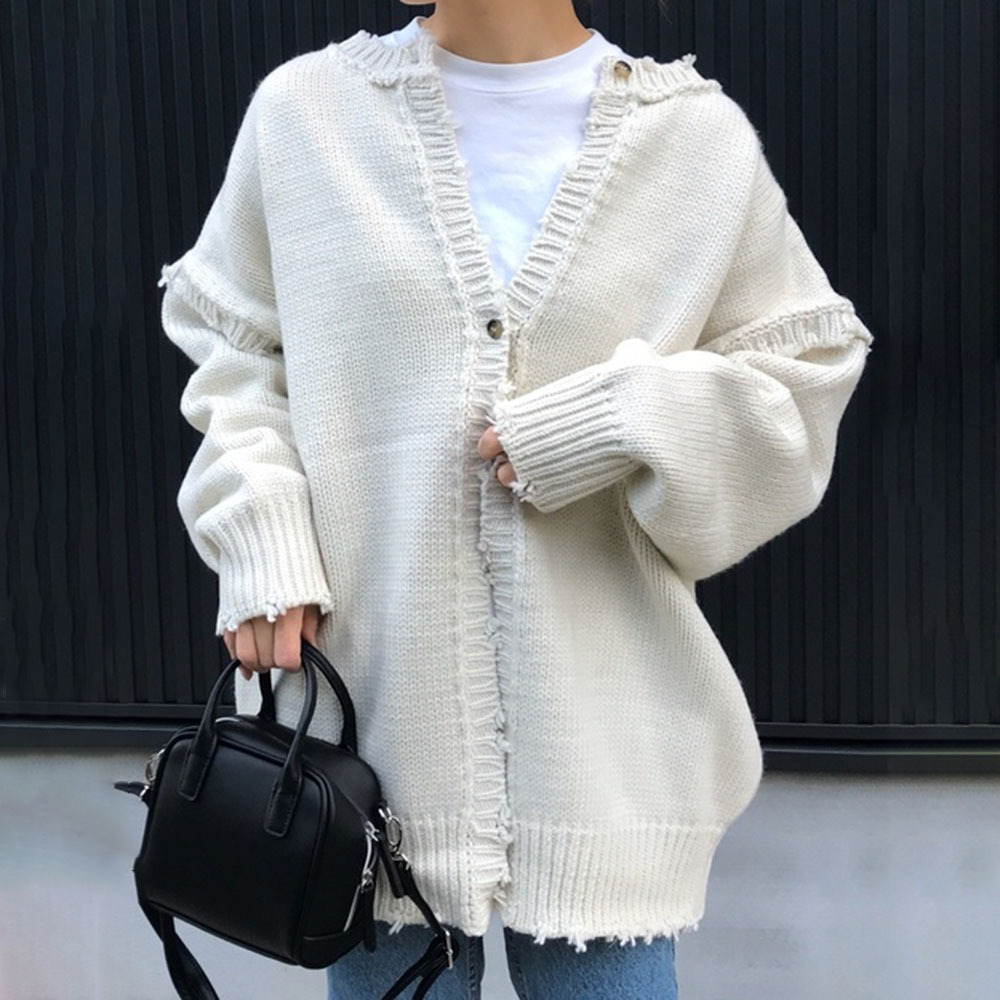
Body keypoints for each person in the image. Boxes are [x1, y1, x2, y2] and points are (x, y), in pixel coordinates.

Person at [157, 1, 874, 997]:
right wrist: (262, 539)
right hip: (368, 757)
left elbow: (803, 376)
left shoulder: (695, 141)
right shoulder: (306, 116)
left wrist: (617, 417)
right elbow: (235, 350)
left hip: (606, 768)